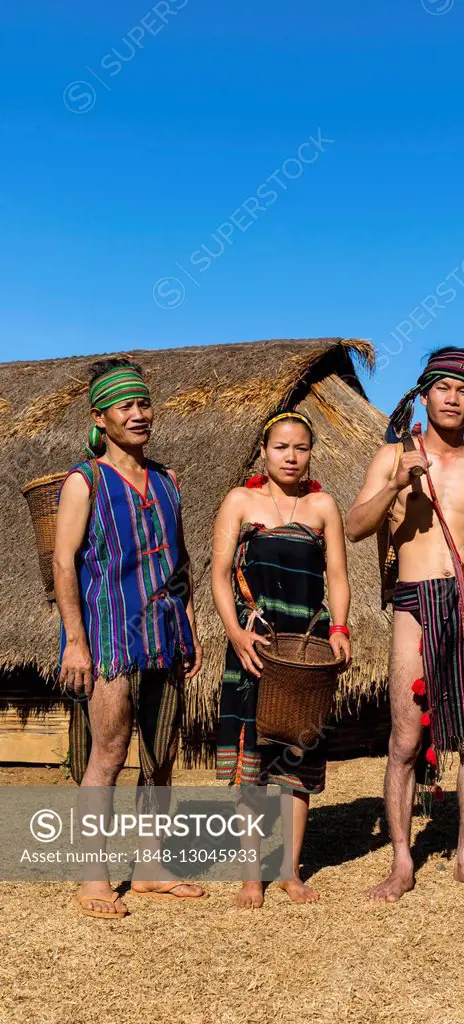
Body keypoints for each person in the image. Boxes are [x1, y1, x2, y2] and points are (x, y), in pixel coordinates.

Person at [346, 347, 464, 901]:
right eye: (443, 388)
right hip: (414, 603)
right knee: (406, 737)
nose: (452, 398)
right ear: (424, 394)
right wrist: (396, 484)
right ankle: (401, 862)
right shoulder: (392, 457)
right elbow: (354, 526)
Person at [54, 358, 204, 918]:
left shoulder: (168, 481)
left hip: (165, 633)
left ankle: (150, 868)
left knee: (161, 757)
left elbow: (179, 563)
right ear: (101, 416)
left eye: (144, 404)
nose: (139, 415)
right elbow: (65, 564)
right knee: (110, 753)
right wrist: (74, 639)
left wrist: (187, 626)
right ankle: (94, 879)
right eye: (126, 406)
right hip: (108, 635)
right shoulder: (83, 480)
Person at [212, 410, 351, 908]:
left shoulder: (323, 506)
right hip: (255, 643)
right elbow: (220, 573)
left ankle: (289, 870)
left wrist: (339, 629)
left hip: (306, 646)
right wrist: (236, 635)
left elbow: (337, 573)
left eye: (300, 448)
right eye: (281, 447)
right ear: (263, 452)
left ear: (311, 452)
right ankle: (253, 875)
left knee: (298, 754)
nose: (291, 457)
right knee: (254, 764)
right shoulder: (240, 501)